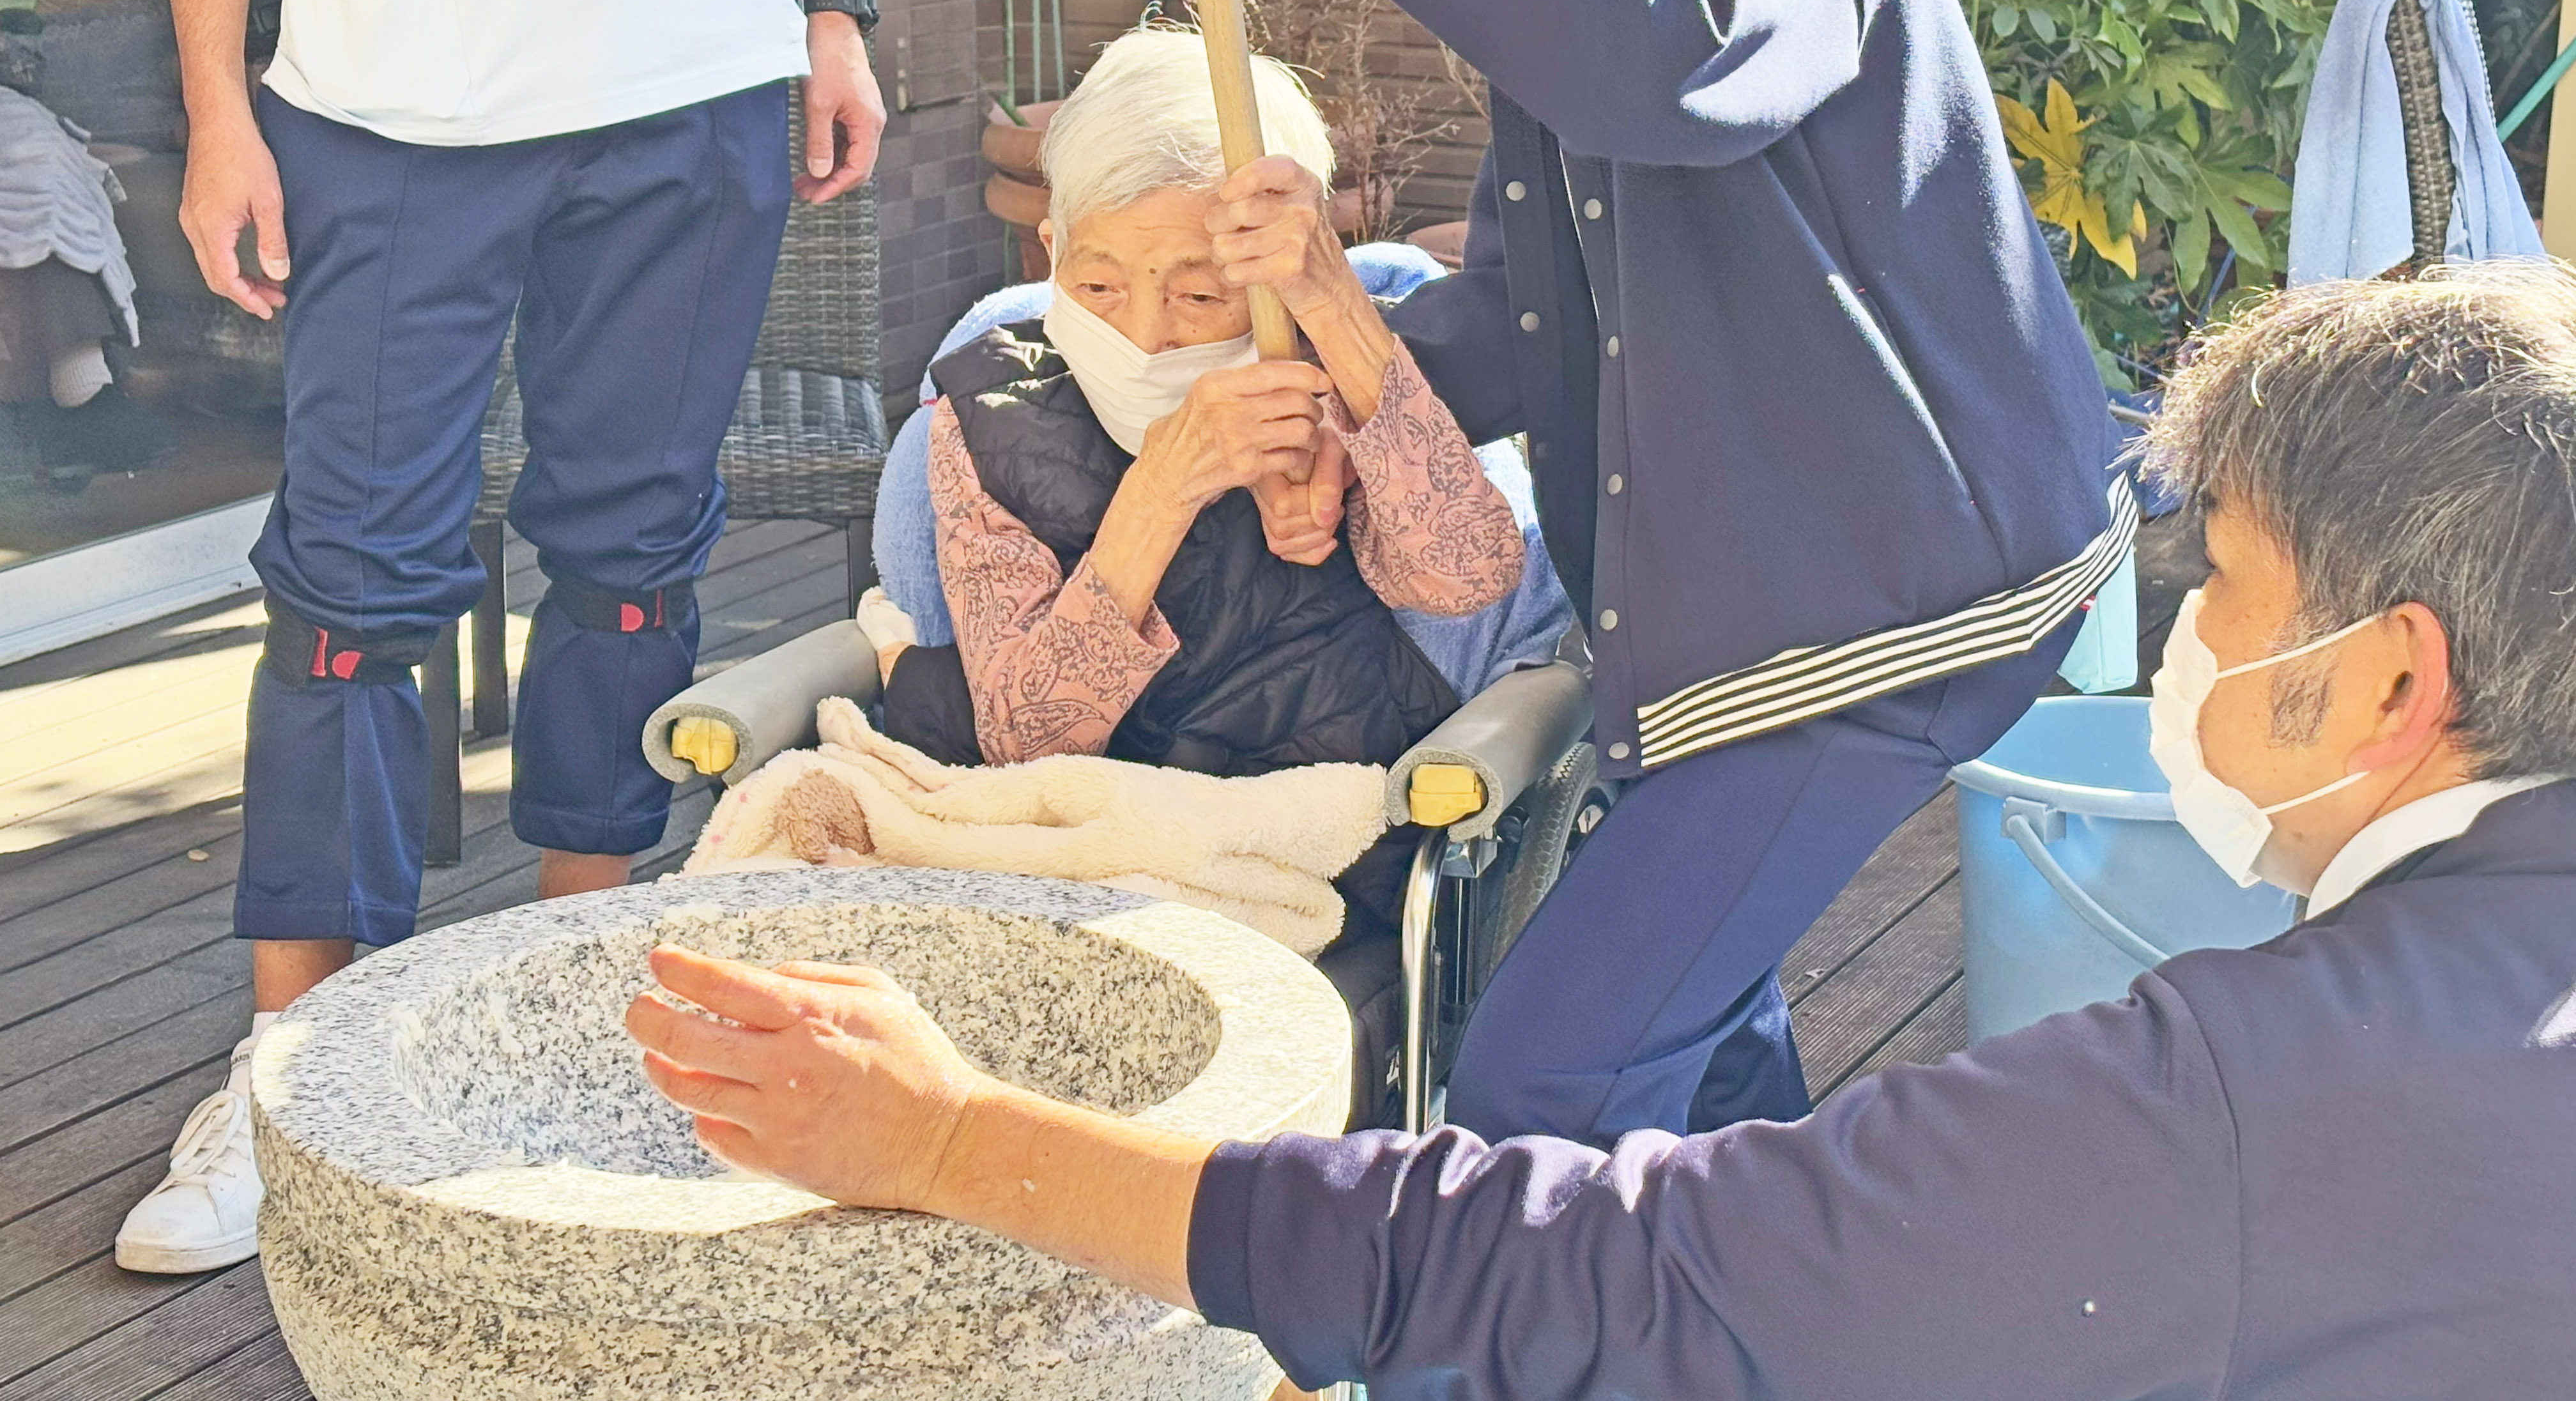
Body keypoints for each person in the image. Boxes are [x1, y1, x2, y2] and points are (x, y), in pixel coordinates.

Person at [633, 263, 2576, 1401]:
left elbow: (1633, 1270)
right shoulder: (982, 411)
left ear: (2395, 683)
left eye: (2221, 576)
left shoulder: (2235, 1108)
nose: (2188, 634)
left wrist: (959, 1136)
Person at [1115, 0, 2126, 1143]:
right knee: (1693, 1075)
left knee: (1546, 1080)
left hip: (1876, 603)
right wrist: (1325, 365)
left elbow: (1667, 43)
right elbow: (1527, 319)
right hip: (1807, 593)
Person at [116, 0, 882, 1275]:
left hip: (687, 86)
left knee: (631, 563)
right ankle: (298, 1079)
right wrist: (219, 108)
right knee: (351, 589)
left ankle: (582, 1009)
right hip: (388, 106)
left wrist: (833, 7)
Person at [871, 25, 1531, 931]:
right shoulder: (984, 421)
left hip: (1321, 870)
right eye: (1098, 288)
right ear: (1051, 247)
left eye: (1198, 296)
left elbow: (1472, 579)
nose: (1144, 336)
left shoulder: (1347, 382)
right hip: (1074, 874)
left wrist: (1334, 316)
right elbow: (1025, 743)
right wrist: (1160, 492)